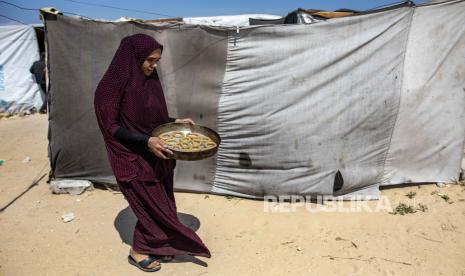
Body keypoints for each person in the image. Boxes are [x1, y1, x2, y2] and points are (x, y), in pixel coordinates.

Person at [94, 34, 211, 272]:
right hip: (130, 156)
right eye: (149, 60)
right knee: (148, 206)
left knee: (163, 202)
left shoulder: (149, 81)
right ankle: (138, 250)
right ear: (133, 58)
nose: (153, 66)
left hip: (156, 154)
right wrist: (146, 141)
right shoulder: (110, 87)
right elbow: (111, 127)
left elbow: (151, 120)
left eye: (157, 61)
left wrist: (174, 121)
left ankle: (160, 245)